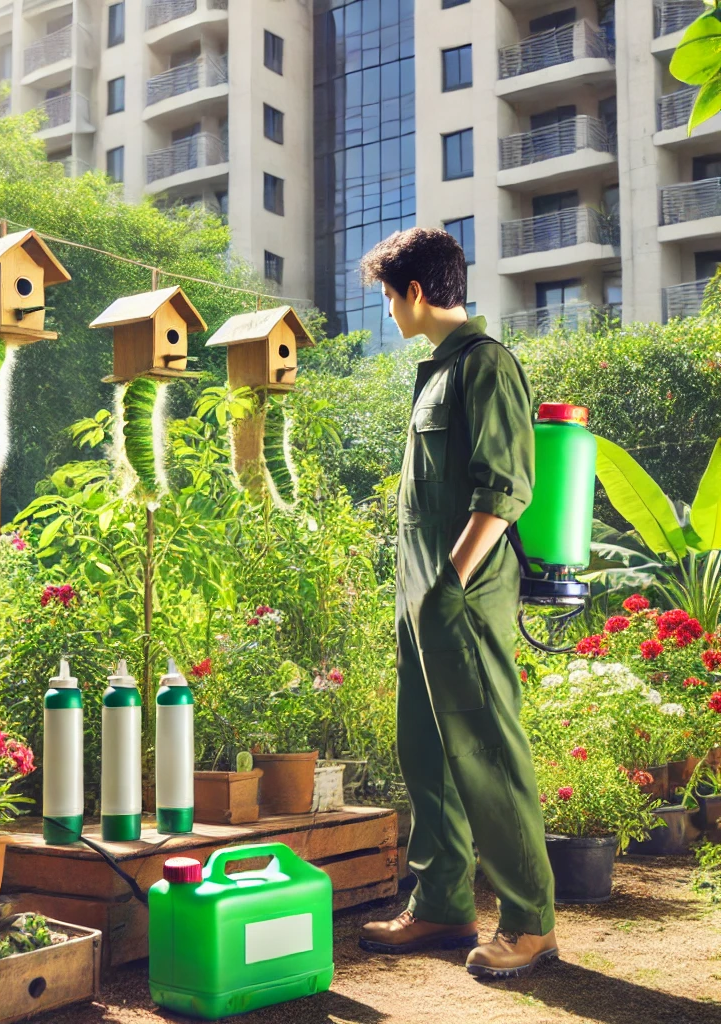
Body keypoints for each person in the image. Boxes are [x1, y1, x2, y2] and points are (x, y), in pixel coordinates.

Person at [356, 228, 557, 980]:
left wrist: (449, 585)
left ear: (414, 291)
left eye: (387, 294)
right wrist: (417, 594)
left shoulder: (485, 365)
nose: (386, 309)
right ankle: (442, 902)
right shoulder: (434, 372)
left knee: (487, 755)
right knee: (428, 753)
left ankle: (531, 923)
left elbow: (503, 489)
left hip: (459, 596)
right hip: (420, 597)